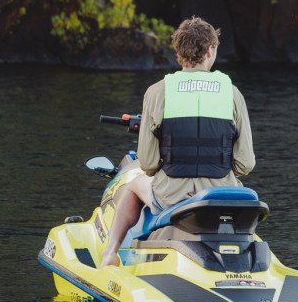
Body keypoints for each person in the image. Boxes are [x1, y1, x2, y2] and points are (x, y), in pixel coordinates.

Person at [100, 15, 255, 267]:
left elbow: (149, 164)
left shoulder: (157, 91)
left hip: (172, 197)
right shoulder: (232, 93)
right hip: (220, 195)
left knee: (133, 185)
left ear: (178, 51)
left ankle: (110, 254)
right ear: (211, 50)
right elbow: (245, 164)